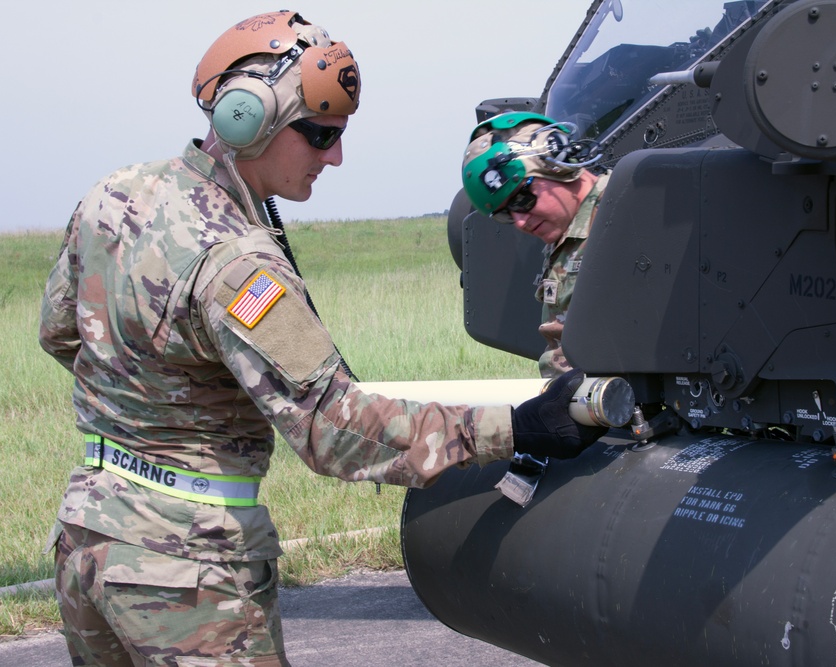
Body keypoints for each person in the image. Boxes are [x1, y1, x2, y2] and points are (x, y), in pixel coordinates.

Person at [38, 12, 606, 666]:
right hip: (187, 572)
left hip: (88, 540)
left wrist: (166, 397)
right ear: (249, 119)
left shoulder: (112, 197)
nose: (336, 156)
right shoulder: (240, 263)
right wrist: (521, 426)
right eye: (321, 134)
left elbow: (61, 333)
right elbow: (334, 432)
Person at [461, 112, 610, 377]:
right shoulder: (567, 238)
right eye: (506, 214)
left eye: (521, 200)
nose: (519, 222)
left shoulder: (622, 212)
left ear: (556, 162)